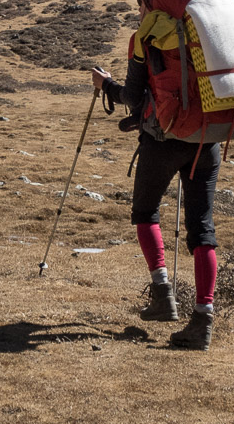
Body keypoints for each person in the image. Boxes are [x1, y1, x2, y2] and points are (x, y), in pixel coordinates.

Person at [92, 57, 223, 351]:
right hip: (207, 139)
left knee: (145, 212)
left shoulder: (149, 34)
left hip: (163, 140)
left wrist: (106, 85)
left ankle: (162, 294)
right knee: (202, 228)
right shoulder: (206, 34)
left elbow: (131, 96)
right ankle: (203, 320)